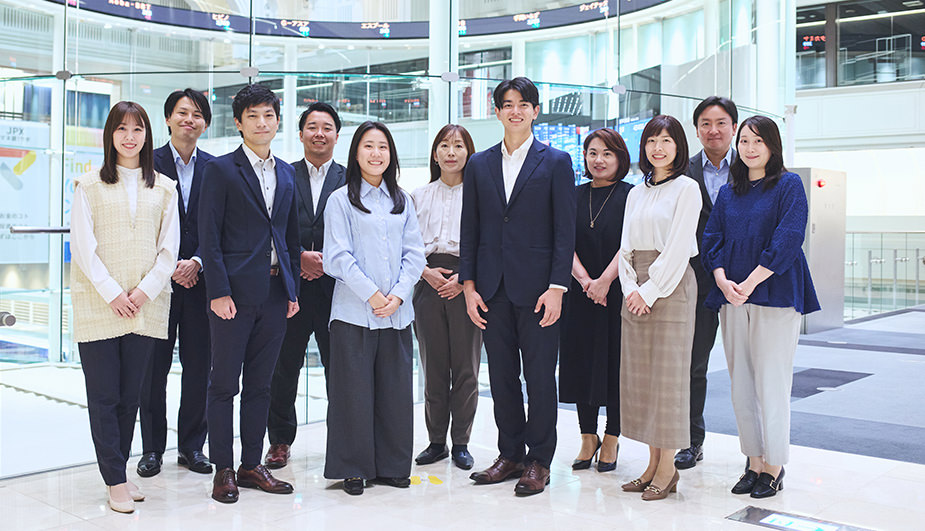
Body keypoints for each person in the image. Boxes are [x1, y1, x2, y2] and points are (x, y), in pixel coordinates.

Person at [461, 77, 577, 496]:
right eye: (507, 104)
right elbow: (470, 228)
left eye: (523, 104)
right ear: (496, 111)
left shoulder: (556, 161)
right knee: (503, 378)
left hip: (540, 292)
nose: (515, 111)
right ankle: (509, 455)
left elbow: (565, 231)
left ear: (535, 111)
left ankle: (539, 461)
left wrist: (557, 287)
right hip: (491, 289)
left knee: (541, 378)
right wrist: (469, 286)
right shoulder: (479, 164)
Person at [701, 115, 819, 499]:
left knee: (772, 383)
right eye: (745, 141)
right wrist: (722, 280)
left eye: (758, 141)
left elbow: (789, 238)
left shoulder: (788, 185)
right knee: (741, 385)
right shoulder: (729, 191)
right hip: (731, 295)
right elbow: (711, 238)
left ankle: (774, 466)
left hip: (775, 294)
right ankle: (753, 461)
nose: (750, 148)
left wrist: (750, 283)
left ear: (772, 146)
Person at [70, 101, 179, 513]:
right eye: (121, 129)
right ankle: (115, 479)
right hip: (100, 306)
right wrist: (114, 293)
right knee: (104, 397)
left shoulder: (164, 187)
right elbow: (83, 248)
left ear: (147, 135)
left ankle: (118, 470)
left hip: (144, 306)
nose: (129, 137)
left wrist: (143, 292)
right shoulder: (89, 185)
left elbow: (169, 249)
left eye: (137, 129)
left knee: (130, 396)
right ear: (110, 135)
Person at [198, 84, 301, 503]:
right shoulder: (221, 170)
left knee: (261, 385)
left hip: (275, 293)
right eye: (253, 116)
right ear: (238, 123)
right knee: (224, 384)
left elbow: (290, 237)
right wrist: (218, 291)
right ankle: (223, 468)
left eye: (268, 115)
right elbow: (209, 237)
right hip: (233, 296)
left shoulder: (287, 173)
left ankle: (251, 464)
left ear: (277, 121)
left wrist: (292, 289)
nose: (262, 123)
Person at [322, 121, 426, 496]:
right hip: (352, 313)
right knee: (353, 394)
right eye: (368, 146)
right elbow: (337, 257)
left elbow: (415, 254)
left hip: (396, 313)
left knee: (395, 393)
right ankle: (353, 468)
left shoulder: (403, 201)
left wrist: (396, 295)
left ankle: (393, 466)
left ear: (391, 155)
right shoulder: (340, 200)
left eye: (383, 147)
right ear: (356, 153)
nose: (376, 153)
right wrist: (372, 294)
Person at [618, 115, 701, 501]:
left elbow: (679, 247)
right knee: (642, 380)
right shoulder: (636, 192)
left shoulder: (687, 188)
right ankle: (651, 464)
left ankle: (667, 469)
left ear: (678, 146)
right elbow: (624, 248)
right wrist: (630, 288)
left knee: (668, 381)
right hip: (635, 287)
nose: (658, 148)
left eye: (666, 140)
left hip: (670, 286)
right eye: (652, 140)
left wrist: (648, 291)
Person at [137, 88, 215, 478]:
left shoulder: (216, 168)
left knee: (199, 368)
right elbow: (139, 225)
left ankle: (192, 447)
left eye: (197, 114)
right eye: (183, 113)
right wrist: (168, 266)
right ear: (168, 119)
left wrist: (197, 261)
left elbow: (221, 226)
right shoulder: (146, 164)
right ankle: (152, 449)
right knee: (153, 369)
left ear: (206, 123)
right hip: (157, 284)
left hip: (201, 284)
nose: (190, 120)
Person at [265, 102, 346, 469]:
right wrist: (298, 258)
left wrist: (326, 262)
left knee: (340, 370)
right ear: (300, 134)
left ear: (337, 135)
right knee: (283, 369)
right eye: (312, 127)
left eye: (326, 127)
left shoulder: (350, 177)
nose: (319, 133)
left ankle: (342, 441)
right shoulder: (282, 174)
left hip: (337, 291)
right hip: (290, 290)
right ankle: (280, 441)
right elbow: (273, 226)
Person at [558, 128, 633, 473]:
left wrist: (604, 281)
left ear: (620, 157)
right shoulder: (573, 195)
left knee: (615, 363)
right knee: (580, 362)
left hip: (617, 291)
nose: (599, 160)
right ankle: (588, 436)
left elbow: (631, 242)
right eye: (592, 153)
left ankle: (612, 436)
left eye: (607, 153)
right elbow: (562, 241)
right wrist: (586, 281)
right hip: (579, 291)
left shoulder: (632, 195)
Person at [411, 124, 483, 471]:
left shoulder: (480, 195)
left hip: (467, 283)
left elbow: (487, 243)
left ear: (469, 153)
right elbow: (406, 245)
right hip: (426, 280)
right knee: (433, 365)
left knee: (466, 367)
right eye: (444, 145)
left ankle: (462, 442)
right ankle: (436, 441)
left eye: (458, 145)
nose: (451, 152)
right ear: (435, 153)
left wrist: (464, 279)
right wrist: (426, 272)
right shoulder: (417, 195)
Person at [675, 96, 739, 471]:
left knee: (748, 367)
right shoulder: (682, 171)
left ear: (734, 127)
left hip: (744, 282)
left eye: (721, 123)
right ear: (696, 129)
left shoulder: (752, 166)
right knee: (693, 365)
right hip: (696, 281)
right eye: (705, 124)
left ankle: (758, 452)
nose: (713, 130)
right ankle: (691, 440)